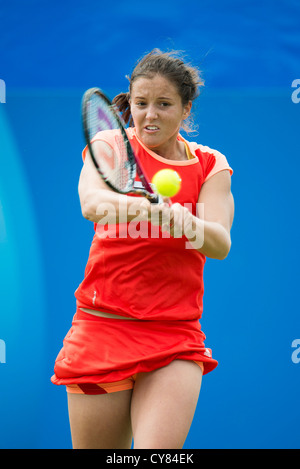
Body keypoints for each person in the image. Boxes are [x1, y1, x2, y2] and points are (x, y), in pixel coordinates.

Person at [51, 49, 234, 449]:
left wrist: (188, 223)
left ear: (186, 109)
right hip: (102, 324)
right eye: (141, 104)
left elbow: (220, 243)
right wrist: (147, 208)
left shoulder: (210, 165)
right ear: (130, 103)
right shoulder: (111, 145)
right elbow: (91, 203)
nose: (150, 115)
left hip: (175, 333)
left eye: (164, 105)